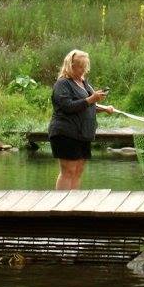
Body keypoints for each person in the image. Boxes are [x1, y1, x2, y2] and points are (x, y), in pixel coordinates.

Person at [48, 49, 115, 190]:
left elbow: (87, 105)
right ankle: (62, 206)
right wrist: (92, 98)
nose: (84, 70)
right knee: (68, 171)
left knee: (78, 171)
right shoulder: (63, 83)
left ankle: (73, 204)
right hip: (65, 133)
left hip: (82, 134)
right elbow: (67, 106)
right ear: (71, 66)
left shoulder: (84, 83)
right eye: (81, 67)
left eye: (85, 66)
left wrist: (104, 108)